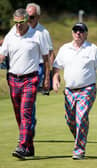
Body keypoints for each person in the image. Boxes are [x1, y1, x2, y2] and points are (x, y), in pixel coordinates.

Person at [52, 22, 97, 160]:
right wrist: (55, 79)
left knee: (81, 117)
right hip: (69, 91)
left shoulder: (93, 49)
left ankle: (79, 150)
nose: (78, 33)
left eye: (81, 31)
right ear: (72, 32)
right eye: (75, 30)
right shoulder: (64, 49)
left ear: (86, 33)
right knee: (70, 120)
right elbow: (56, 68)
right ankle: (80, 137)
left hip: (87, 89)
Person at [0, 8, 50, 159]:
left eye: (21, 22)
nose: (18, 26)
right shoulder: (10, 35)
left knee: (26, 112)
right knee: (18, 115)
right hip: (13, 79)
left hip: (30, 79)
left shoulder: (38, 35)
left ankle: (22, 146)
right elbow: (2, 55)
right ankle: (29, 147)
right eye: (15, 23)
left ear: (27, 20)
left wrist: (47, 77)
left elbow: (46, 58)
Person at [25, 2, 55, 137]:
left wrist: (52, 74)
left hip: (40, 68)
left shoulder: (43, 32)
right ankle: (29, 123)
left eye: (31, 17)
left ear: (38, 17)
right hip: (23, 69)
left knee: (30, 99)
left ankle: (29, 128)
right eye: (26, 16)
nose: (28, 20)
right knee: (24, 101)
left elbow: (50, 53)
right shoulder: (20, 29)